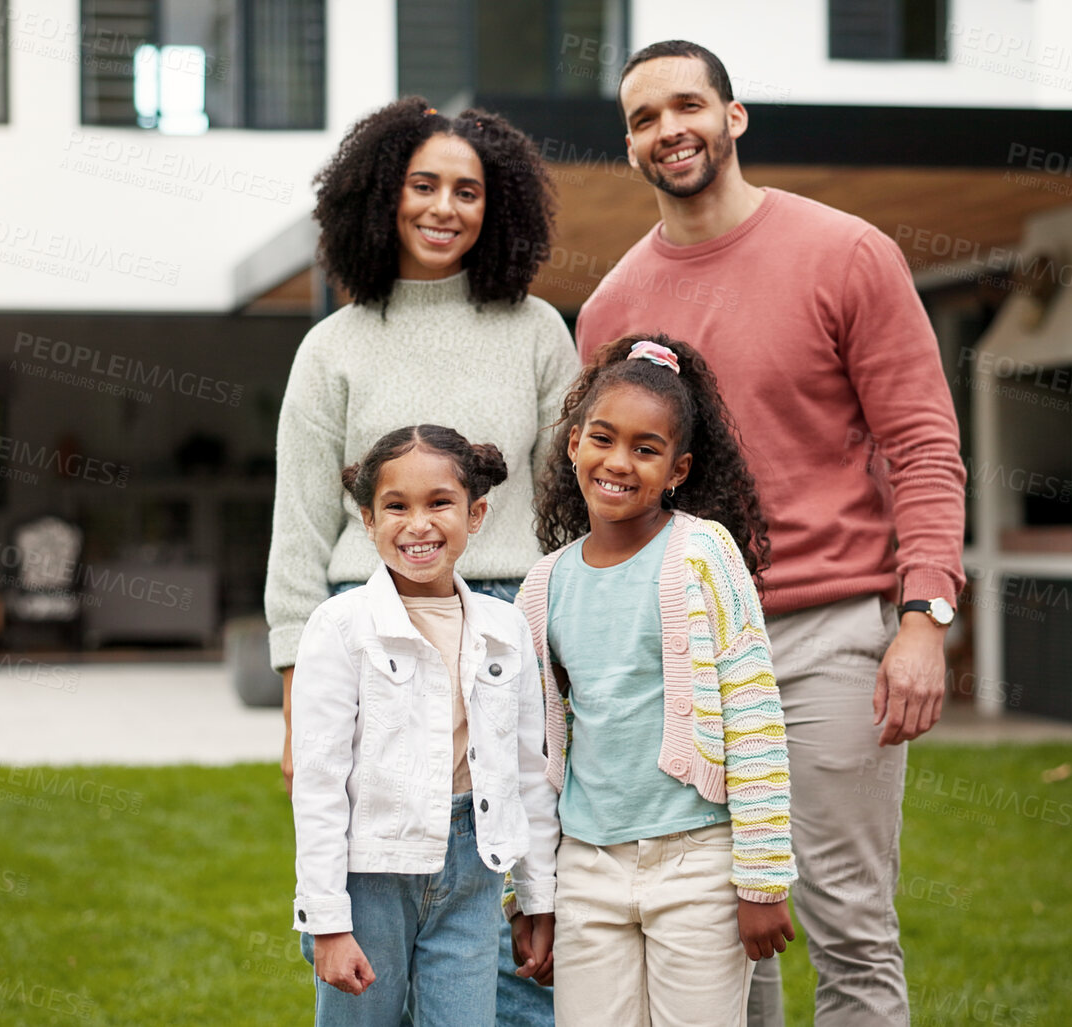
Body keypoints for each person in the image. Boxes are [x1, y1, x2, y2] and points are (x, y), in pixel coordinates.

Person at [573, 41, 969, 1027]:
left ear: (734, 116)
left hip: (830, 632)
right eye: (644, 118)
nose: (669, 130)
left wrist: (924, 613)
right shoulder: (612, 309)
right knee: (719, 933)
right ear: (629, 144)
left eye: (687, 106)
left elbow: (922, 444)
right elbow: (612, 496)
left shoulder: (846, 254)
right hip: (687, 651)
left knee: (847, 923)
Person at [268, 96, 578, 1023]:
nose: (444, 207)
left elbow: (564, 504)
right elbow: (297, 522)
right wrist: (293, 704)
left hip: (505, 618)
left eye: (468, 191)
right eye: (423, 185)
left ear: (499, 208)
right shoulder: (333, 346)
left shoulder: (536, 331)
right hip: (367, 624)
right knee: (376, 878)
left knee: (497, 871)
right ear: (381, 196)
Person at [512, 334, 795, 1026]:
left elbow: (754, 715)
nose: (618, 462)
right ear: (573, 442)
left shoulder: (702, 554)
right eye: (603, 439)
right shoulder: (542, 586)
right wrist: (531, 895)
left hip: (695, 860)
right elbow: (531, 755)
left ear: (677, 469)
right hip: (587, 867)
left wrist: (760, 878)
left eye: (646, 448)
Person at [291, 425, 560, 1027]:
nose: (419, 524)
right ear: (367, 519)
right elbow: (319, 783)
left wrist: (536, 899)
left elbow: (526, 773)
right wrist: (329, 921)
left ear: (478, 513)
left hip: (472, 871)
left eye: (440, 503)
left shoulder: (504, 626)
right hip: (371, 876)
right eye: (396, 506)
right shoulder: (340, 626)